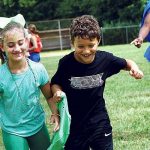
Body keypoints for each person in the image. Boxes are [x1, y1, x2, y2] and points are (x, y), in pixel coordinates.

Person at [51, 15, 144, 150]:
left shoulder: (105, 59)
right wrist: (57, 92)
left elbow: (127, 63)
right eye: (80, 46)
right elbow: (55, 82)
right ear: (72, 43)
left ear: (98, 41)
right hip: (73, 125)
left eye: (91, 45)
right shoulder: (66, 63)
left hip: (99, 123)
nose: (86, 51)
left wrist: (134, 68)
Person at [0, 21, 60, 150]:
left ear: (27, 42)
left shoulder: (38, 69)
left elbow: (49, 97)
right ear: (2, 47)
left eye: (20, 43)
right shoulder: (1, 75)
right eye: (10, 45)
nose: (17, 48)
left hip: (37, 125)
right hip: (12, 130)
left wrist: (55, 113)